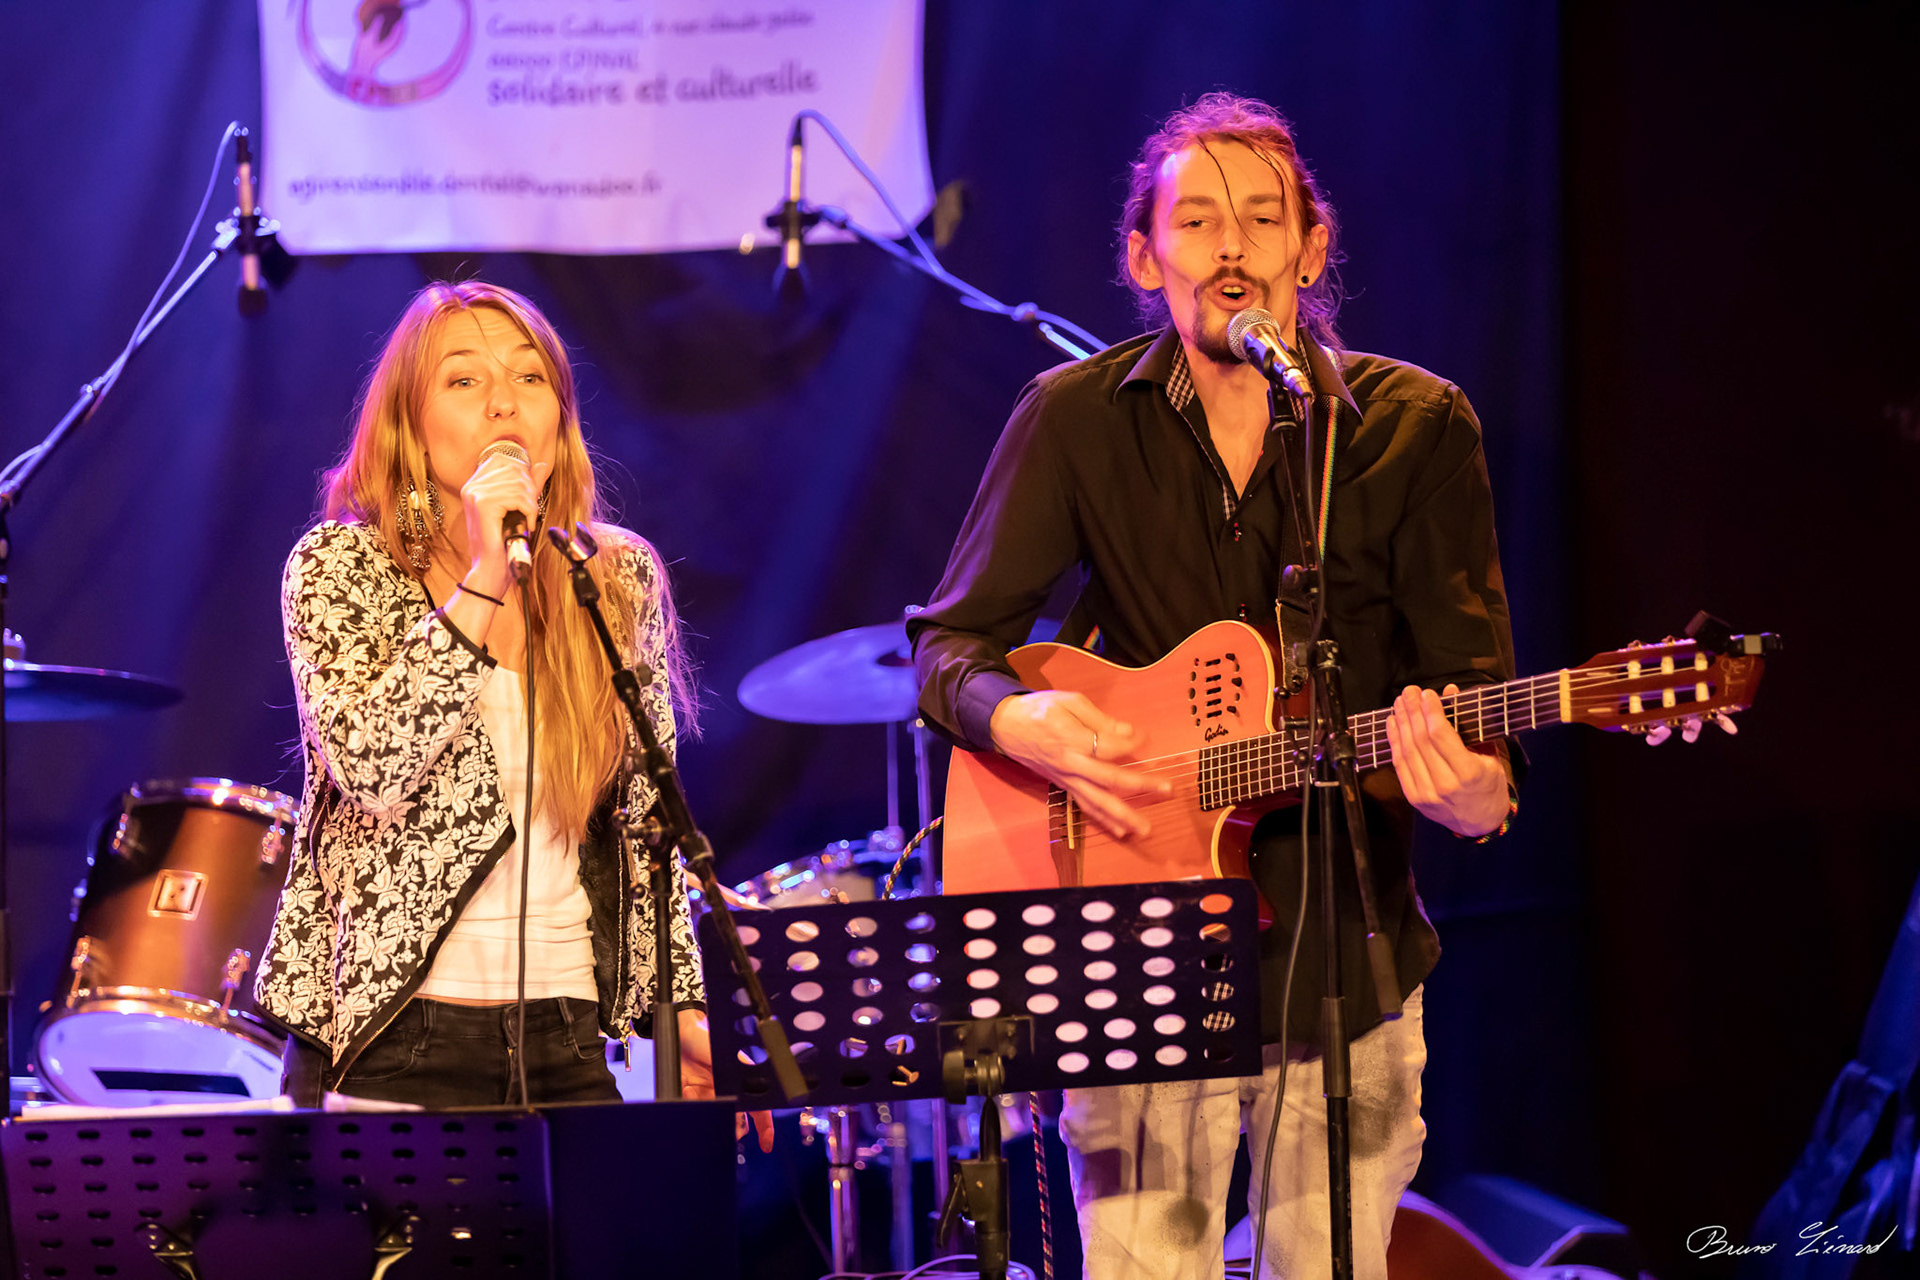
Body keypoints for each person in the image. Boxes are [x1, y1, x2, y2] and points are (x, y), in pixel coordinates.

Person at [908, 94, 1517, 1278]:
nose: (1231, 247)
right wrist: (1018, 715)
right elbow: (948, 645)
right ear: (1146, 257)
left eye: (1261, 218)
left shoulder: (1416, 427)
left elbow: (1473, 698)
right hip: (1136, 958)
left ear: (1311, 247)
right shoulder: (1075, 421)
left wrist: (1474, 791)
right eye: (1195, 221)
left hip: (1345, 967)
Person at [257, 280, 771, 1147]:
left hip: (567, 1024)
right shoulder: (341, 566)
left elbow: (649, 829)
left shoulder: (615, 579)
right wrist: (487, 571)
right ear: (409, 425)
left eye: (530, 379)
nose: (503, 401)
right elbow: (374, 766)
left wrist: (685, 1012)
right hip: (393, 1034)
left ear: (559, 423)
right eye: (463, 380)